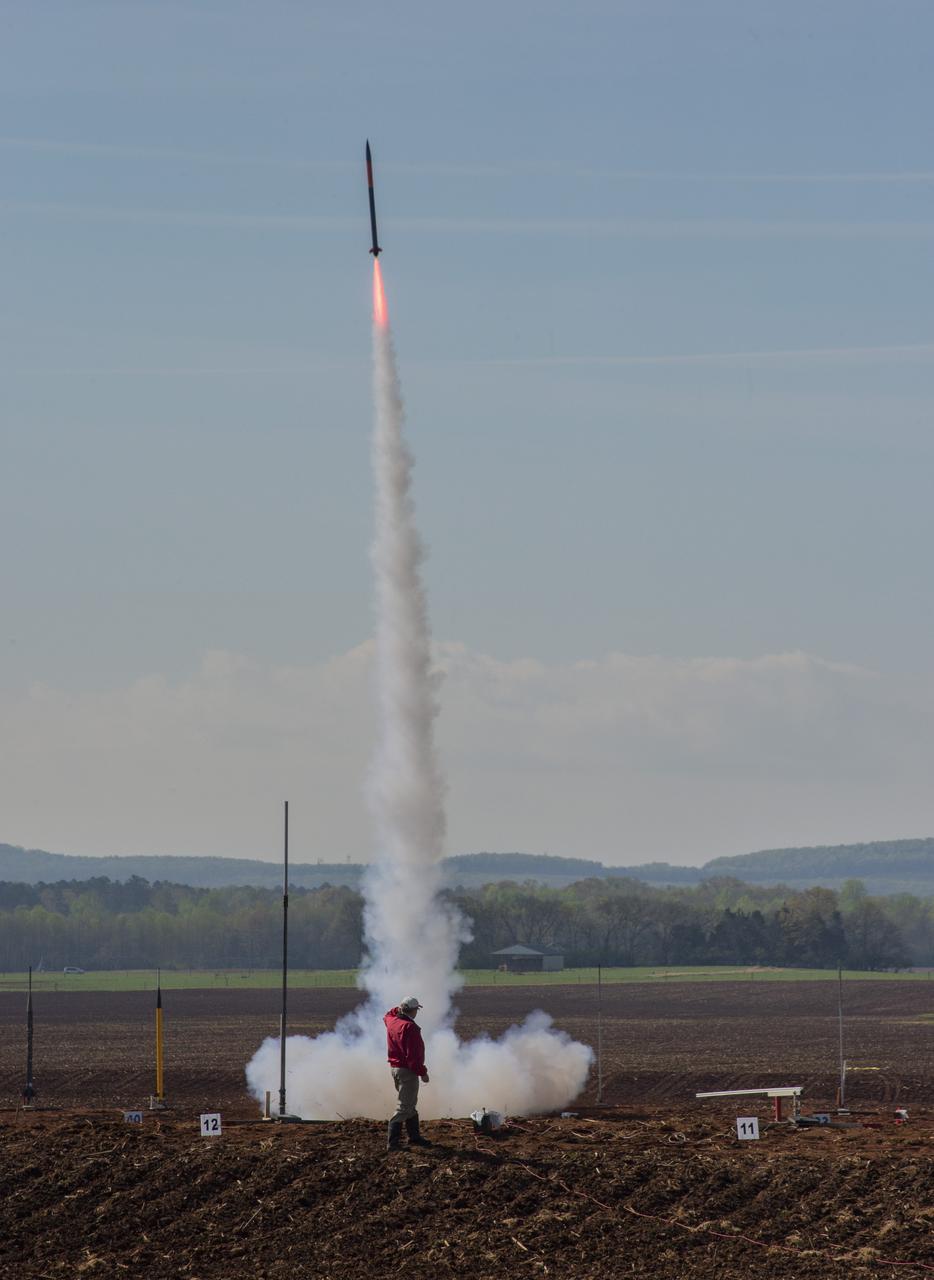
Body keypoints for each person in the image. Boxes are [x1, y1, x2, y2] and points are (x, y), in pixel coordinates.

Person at [384, 996, 432, 1150]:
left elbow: (387, 1014)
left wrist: (398, 1008)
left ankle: (414, 1137)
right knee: (404, 1107)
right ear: (413, 1010)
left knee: (410, 1104)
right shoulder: (410, 1028)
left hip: (395, 1069)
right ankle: (393, 1143)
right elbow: (413, 1057)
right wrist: (422, 1073)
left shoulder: (392, 1021)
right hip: (407, 1072)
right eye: (416, 1009)